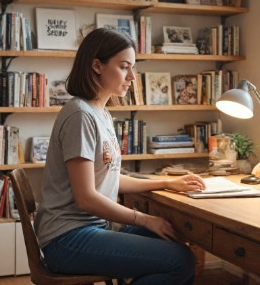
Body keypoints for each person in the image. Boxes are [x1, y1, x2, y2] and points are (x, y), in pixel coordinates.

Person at [34, 28, 205, 284]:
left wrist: (166, 182)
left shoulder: (101, 114)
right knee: (179, 260)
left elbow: (112, 179)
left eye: (132, 67)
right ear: (97, 66)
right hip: (67, 239)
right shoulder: (80, 116)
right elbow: (86, 198)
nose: (132, 77)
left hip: (91, 229)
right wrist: (145, 220)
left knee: (173, 239)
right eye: (124, 67)